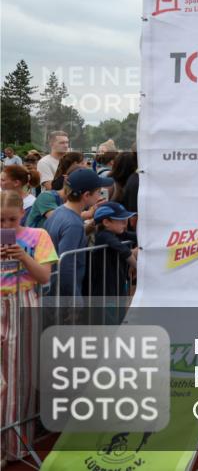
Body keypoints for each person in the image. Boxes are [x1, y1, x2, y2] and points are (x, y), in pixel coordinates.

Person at [0, 190, 56, 463]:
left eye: (11, 219)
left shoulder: (38, 236)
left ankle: (12, 446)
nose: (6, 225)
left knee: (18, 379)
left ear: (22, 213)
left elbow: (44, 277)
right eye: (0, 220)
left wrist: (23, 256)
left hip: (24, 303)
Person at [45, 169, 113, 299]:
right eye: (98, 192)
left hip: (53, 288)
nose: (99, 196)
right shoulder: (73, 224)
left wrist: (92, 224)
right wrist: (74, 298)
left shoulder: (58, 212)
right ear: (86, 195)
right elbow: (66, 265)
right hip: (63, 295)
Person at [89, 202, 138, 298]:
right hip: (105, 289)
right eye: (121, 220)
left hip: (117, 283)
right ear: (106, 222)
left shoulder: (118, 232)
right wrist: (138, 267)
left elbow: (138, 237)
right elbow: (124, 251)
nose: (125, 223)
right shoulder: (103, 235)